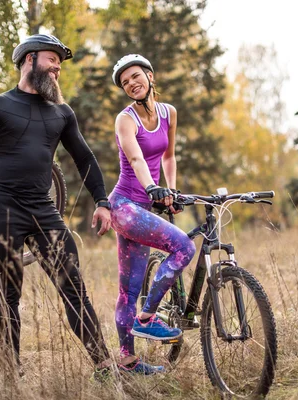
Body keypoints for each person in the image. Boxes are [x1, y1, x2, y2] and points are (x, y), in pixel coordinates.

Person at [0, 34, 113, 375]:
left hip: (43, 210)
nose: (57, 67)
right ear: (29, 59)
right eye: (52, 58)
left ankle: (103, 364)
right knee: (8, 291)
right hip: (1, 206)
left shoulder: (62, 112)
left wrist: (102, 201)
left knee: (73, 286)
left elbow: (84, 157)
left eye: (60, 62)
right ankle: (11, 369)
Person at [108, 54, 196, 374]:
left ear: (149, 75)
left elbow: (169, 156)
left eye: (135, 76)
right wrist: (151, 188)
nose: (131, 83)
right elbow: (136, 159)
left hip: (145, 204)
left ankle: (128, 363)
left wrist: (170, 190)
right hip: (124, 206)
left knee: (129, 288)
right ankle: (147, 318)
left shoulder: (168, 113)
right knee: (184, 247)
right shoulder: (125, 119)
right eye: (124, 82)